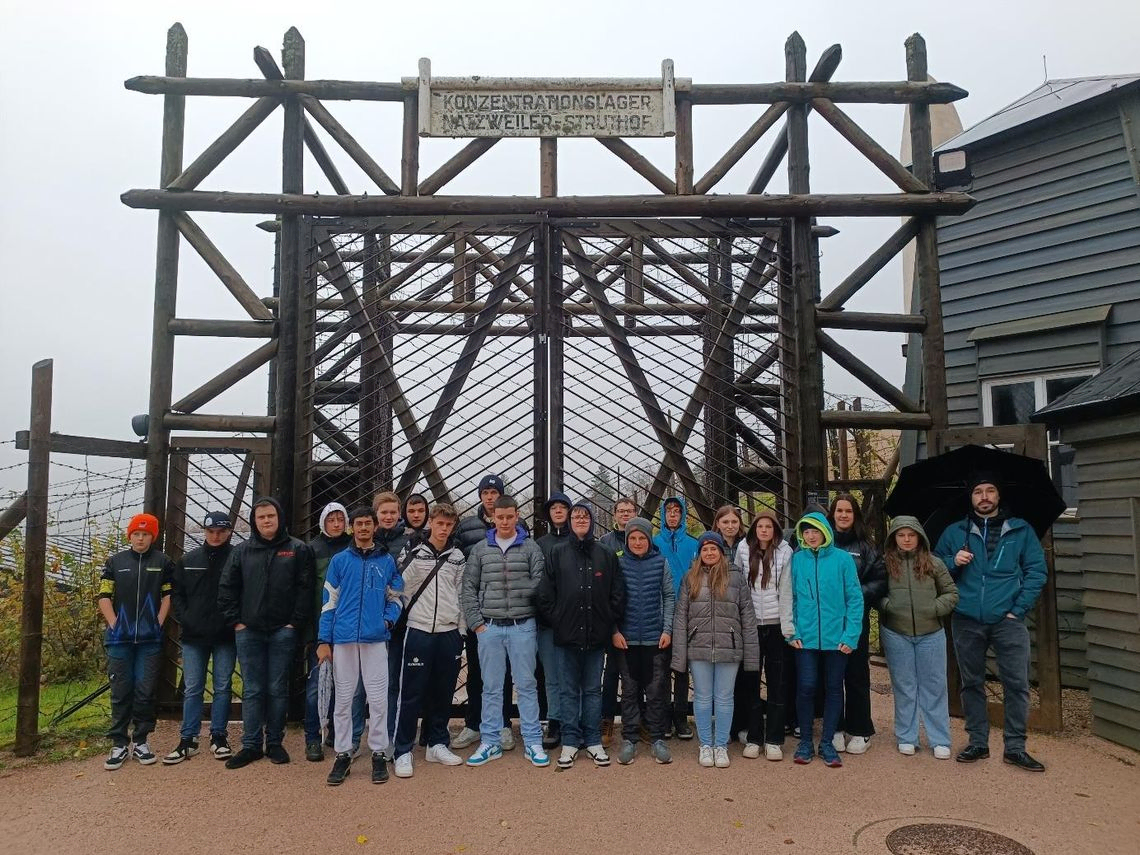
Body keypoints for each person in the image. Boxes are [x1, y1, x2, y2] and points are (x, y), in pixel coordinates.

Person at [934, 473, 1049, 772]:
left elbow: (1036, 571)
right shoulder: (954, 532)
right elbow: (932, 567)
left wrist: (1018, 610)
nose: (984, 497)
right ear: (971, 498)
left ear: (998, 496)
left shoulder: (1021, 531)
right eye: (978, 492)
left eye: (990, 491)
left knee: (1017, 684)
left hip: (1007, 620)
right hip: (967, 618)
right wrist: (951, 562)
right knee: (971, 682)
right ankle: (977, 742)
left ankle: (1015, 747)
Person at [218, 497, 313, 770]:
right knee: (253, 689)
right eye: (261, 517)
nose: (266, 521)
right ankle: (250, 745)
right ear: (254, 521)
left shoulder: (297, 549)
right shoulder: (242, 551)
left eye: (271, 516)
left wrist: (294, 623)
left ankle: (274, 742)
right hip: (249, 631)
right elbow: (227, 588)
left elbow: (304, 589)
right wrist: (236, 622)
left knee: (276, 688)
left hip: (283, 631)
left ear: (279, 517)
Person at [460, 496, 548, 768]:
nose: (506, 522)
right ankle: (491, 741)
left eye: (510, 517)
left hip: (523, 625)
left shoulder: (531, 548)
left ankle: (533, 741)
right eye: (501, 517)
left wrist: (520, 595)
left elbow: (540, 583)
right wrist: (477, 624)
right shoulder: (480, 549)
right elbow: (468, 587)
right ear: (493, 518)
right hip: (490, 627)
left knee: (527, 685)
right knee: (491, 687)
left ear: (517, 515)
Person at [319, 506, 404, 786]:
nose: (364, 528)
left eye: (368, 523)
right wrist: (324, 640)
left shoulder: (386, 561)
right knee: (343, 699)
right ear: (352, 527)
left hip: (375, 638)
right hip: (343, 639)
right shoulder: (340, 561)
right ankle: (343, 753)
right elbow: (329, 602)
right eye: (359, 524)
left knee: (378, 699)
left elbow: (397, 596)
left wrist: (387, 623)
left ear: (374, 527)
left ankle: (378, 752)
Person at [538, 501, 625, 769]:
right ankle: (570, 741)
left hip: (596, 637)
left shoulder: (605, 554)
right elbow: (544, 594)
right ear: (570, 521)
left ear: (592, 520)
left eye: (585, 516)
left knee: (591, 689)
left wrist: (605, 621)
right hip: (566, 637)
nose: (580, 519)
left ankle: (592, 740)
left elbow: (617, 594)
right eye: (576, 516)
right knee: (567, 691)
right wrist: (559, 621)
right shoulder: (557, 553)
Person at [389, 503, 467, 776]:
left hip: (448, 632)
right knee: (410, 694)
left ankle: (437, 743)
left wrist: (460, 631)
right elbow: (397, 587)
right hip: (419, 630)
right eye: (440, 523)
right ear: (431, 522)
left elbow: (460, 594)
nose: (444, 529)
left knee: (443, 692)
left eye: (449, 525)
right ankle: (402, 750)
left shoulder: (457, 556)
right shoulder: (415, 551)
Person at [671, 532, 758, 769]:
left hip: (728, 647)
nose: (709, 553)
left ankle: (721, 745)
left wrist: (751, 656)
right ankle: (705, 745)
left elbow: (747, 618)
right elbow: (681, 617)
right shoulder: (690, 578)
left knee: (724, 698)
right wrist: (680, 655)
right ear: (700, 554)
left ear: (721, 551)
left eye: (713, 549)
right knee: (701, 698)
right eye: (705, 549)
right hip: (698, 647)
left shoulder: (736, 578)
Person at [782, 511, 862, 768]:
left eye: (815, 530)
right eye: (806, 531)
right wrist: (791, 631)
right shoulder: (797, 560)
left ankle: (827, 742)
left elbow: (854, 598)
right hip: (805, 639)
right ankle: (806, 740)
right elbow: (789, 598)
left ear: (825, 532)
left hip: (836, 639)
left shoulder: (842, 560)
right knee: (806, 687)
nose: (811, 535)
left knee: (834, 688)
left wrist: (851, 635)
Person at [98, 513, 174, 771]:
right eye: (136, 534)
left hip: (149, 641)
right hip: (119, 640)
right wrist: (114, 623)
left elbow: (168, 595)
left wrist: (159, 622)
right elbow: (104, 595)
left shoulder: (163, 561)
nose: (140, 538)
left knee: (144, 691)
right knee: (121, 691)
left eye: (146, 534)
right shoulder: (114, 562)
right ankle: (119, 743)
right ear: (129, 535)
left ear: (153, 536)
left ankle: (141, 740)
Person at [879, 516, 958, 758]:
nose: (906, 539)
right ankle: (907, 735)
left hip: (931, 633)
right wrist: (887, 605)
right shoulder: (885, 564)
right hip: (896, 632)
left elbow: (951, 593)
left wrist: (935, 609)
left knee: (934, 686)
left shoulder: (933, 563)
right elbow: (874, 591)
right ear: (894, 538)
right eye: (901, 535)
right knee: (904, 686)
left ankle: (939, 738)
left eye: (911, 535)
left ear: (919, 538)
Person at [164, 510, 237, 764]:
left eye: (221, 531)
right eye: (211, 531)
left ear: (228, 532)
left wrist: (233, 620)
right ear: (205, 532)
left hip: (226, 635)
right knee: (193, 688)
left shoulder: (237, 559)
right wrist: (187, 619)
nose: (215, 536)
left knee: (222, 687)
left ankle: (219, 736)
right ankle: (188, 739)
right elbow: (177, 594)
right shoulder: (189, 559)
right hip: (194, 636)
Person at [451, 474, 515, 751]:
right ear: (480, 496)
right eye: (485, 492)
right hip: (478, 613)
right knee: (476, 672)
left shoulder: (517, 526)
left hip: (507, 612)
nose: (489, 497)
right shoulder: (466, 528)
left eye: (494, 492)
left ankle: (502, 724)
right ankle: (473, 724)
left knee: (504, 672)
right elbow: (455, 568)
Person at [827, 493, 887, 755]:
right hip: (827, 619)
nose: (843, 515)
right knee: (831, 676)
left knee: (856, 675)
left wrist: (855, 593)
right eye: (839, 511)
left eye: (848, 511)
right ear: (832, 514)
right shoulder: (822, 543)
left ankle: (861, 729)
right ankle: (835, 726)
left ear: (855, 516)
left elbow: (880, 580)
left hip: (854, 618)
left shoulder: (866, 547)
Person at [612, 516, 674, 765]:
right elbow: (610, 599)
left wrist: (667, 629)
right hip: (625, 640)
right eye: (633, 538)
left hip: (653, 638)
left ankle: (658, 738)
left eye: (642, 538)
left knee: (657, 692)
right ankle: (630, 738)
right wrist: (614, 631)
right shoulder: (617, 562)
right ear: (627, 540)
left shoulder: (660, 562)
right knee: (629, 692)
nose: (637, 542)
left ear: (649, 539)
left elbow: (669, 596)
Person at [735, 510, 793, 761]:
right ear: (754, 529)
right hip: (751, 625)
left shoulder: (785, 552)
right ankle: (754, 736)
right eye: (760, 526)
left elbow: (787, 589)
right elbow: (737, 584)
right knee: (751, 681)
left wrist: (788, 626)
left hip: (776, 625)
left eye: (769, 527)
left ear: (775, 529)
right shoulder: (743, 549)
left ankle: (775, 739)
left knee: (778, 682)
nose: (764, 531)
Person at [304, 502, 358, 762]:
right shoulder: (312, 550)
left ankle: (337, 732)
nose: (336, 524)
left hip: (347, 627)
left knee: (344, 685)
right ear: (323, 522)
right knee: (317, 685)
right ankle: (313, 737)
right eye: (331, 520)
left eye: (340, 519)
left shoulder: (353, 548)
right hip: (320, 626)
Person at [654, 495, 698, 740]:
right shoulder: (654, 542)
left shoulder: (692, 544)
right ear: (663, 515)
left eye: (676, 511)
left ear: (682, 515)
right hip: (659, 614)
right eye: (668, 511)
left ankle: (681, 716)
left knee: (681, 670)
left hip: (687, 613)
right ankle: (662, 718)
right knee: (660, 671)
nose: (672, 515)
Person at [535, 491, 573, 750]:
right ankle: (555, 720)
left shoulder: (578, 540)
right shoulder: (540, 544)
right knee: (551, 675)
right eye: (554, 508)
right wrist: (548, 613)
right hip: (548, 621)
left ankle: (575, 720)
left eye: (563, 507)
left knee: (574, 673)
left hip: (574, 620)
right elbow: (537, 582)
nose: (558, 511)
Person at [598, 496, 637, 745]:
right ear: (614, 515)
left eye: (630, 510)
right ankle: (607, 720)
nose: (625, 514)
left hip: (639, 614)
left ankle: (637, 720)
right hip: (613, 614)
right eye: (621, 511)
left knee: (638, 673)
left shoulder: (643, 539)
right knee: (611, 672)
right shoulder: (605, 543)